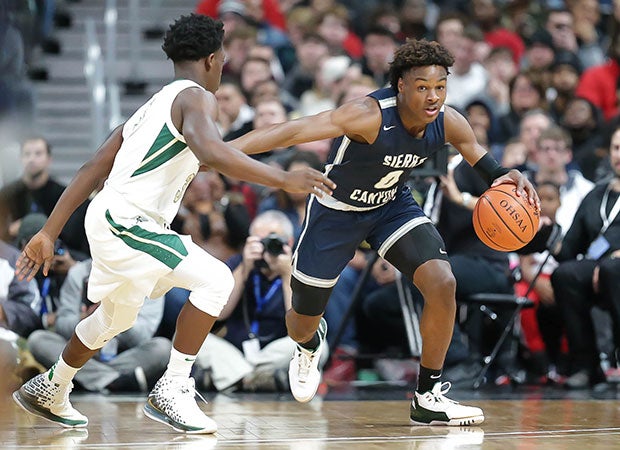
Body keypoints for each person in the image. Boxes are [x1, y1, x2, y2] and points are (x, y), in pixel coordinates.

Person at [12, 14, 334, 434]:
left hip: (111, 217)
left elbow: (94, 166)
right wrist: (283, 177)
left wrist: (48, 231)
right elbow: (213, 154)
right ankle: (173, 386)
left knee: (114, 318)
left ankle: (52, 386)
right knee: (217, 280)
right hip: (127, 220)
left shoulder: (152, 107)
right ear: (213, 60)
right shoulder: (197, 98)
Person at [231, 38, 539, 425]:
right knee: (300, 323)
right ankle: (309, 345)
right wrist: (223, 152)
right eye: (423, 86)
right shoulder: (368, 114)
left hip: (391, 206)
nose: (433, 96)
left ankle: (427, 395)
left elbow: (476, 152)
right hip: (336, 212)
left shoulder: (448, 120)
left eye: (440, 86)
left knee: (442, 282)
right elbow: (292, 131)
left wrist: (503, 175)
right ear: (401, 86)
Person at [27, 259, 171, 394]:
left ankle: (86, 379)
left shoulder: (148, 277)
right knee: (37, 339)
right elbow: (62, 326)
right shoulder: (79, 272)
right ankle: (116, 382)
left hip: (123, 356)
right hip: (81, 354)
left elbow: (142, 336)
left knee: (164, 348)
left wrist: (118, 317)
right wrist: (85, 319)